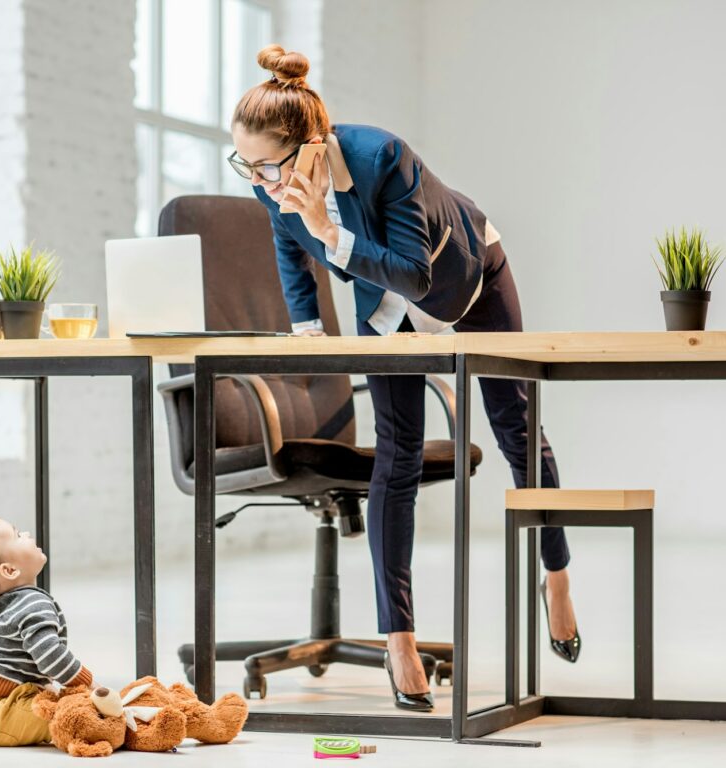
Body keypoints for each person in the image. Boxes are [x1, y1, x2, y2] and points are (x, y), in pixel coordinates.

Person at [228, 45, 580, 711]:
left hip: (461, 278)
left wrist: (326, 228)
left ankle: (556, 575)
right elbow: (286, 243)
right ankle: (400, 638)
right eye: (245, 165)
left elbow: (416, 275)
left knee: (517, 430)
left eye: (267, 165)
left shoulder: (382, 157)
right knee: (399, 455)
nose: (259, 180)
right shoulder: (270, 180)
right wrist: (308, 330)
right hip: (380, 302)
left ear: (311, 146)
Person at [0, 518, 93, 746]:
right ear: (10, 570)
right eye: (17, 535)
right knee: (77, 716)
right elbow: (49, 654)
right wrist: (87, 684)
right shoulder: (32, 602)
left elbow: (20, 663)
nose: (27, 533)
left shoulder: (5, 605)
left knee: (57, 703)